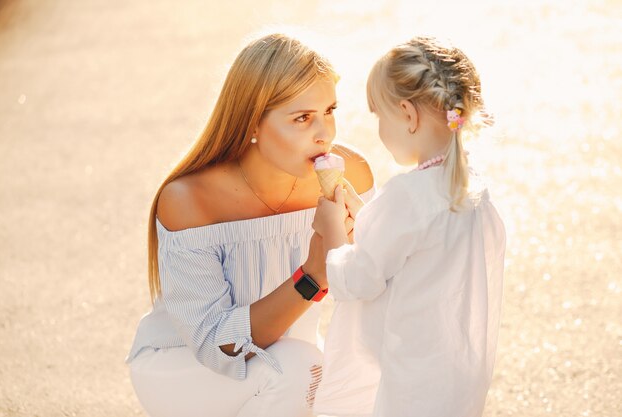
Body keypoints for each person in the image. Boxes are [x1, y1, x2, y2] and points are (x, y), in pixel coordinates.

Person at [125, 33, 374, 417]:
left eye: (329, 110)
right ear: (252, 122)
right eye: (302, 118)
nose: (326, 133)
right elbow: (216, 344)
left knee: (359, 371)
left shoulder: (351, 174)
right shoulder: (190, 200)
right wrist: (312, 277)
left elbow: (375, 299)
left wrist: (367, 252)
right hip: (187, 367)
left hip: (289, 360)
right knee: (296, 367)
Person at [311, 37, 506, 417]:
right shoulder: (474, 192)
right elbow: (418, 254)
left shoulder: (407, 195)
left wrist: (333, 228)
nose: (380, 128)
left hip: (409, 382)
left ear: (407, 114)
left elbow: (357, 281)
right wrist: (367, 216)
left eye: (379, 116)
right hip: (456, 375)